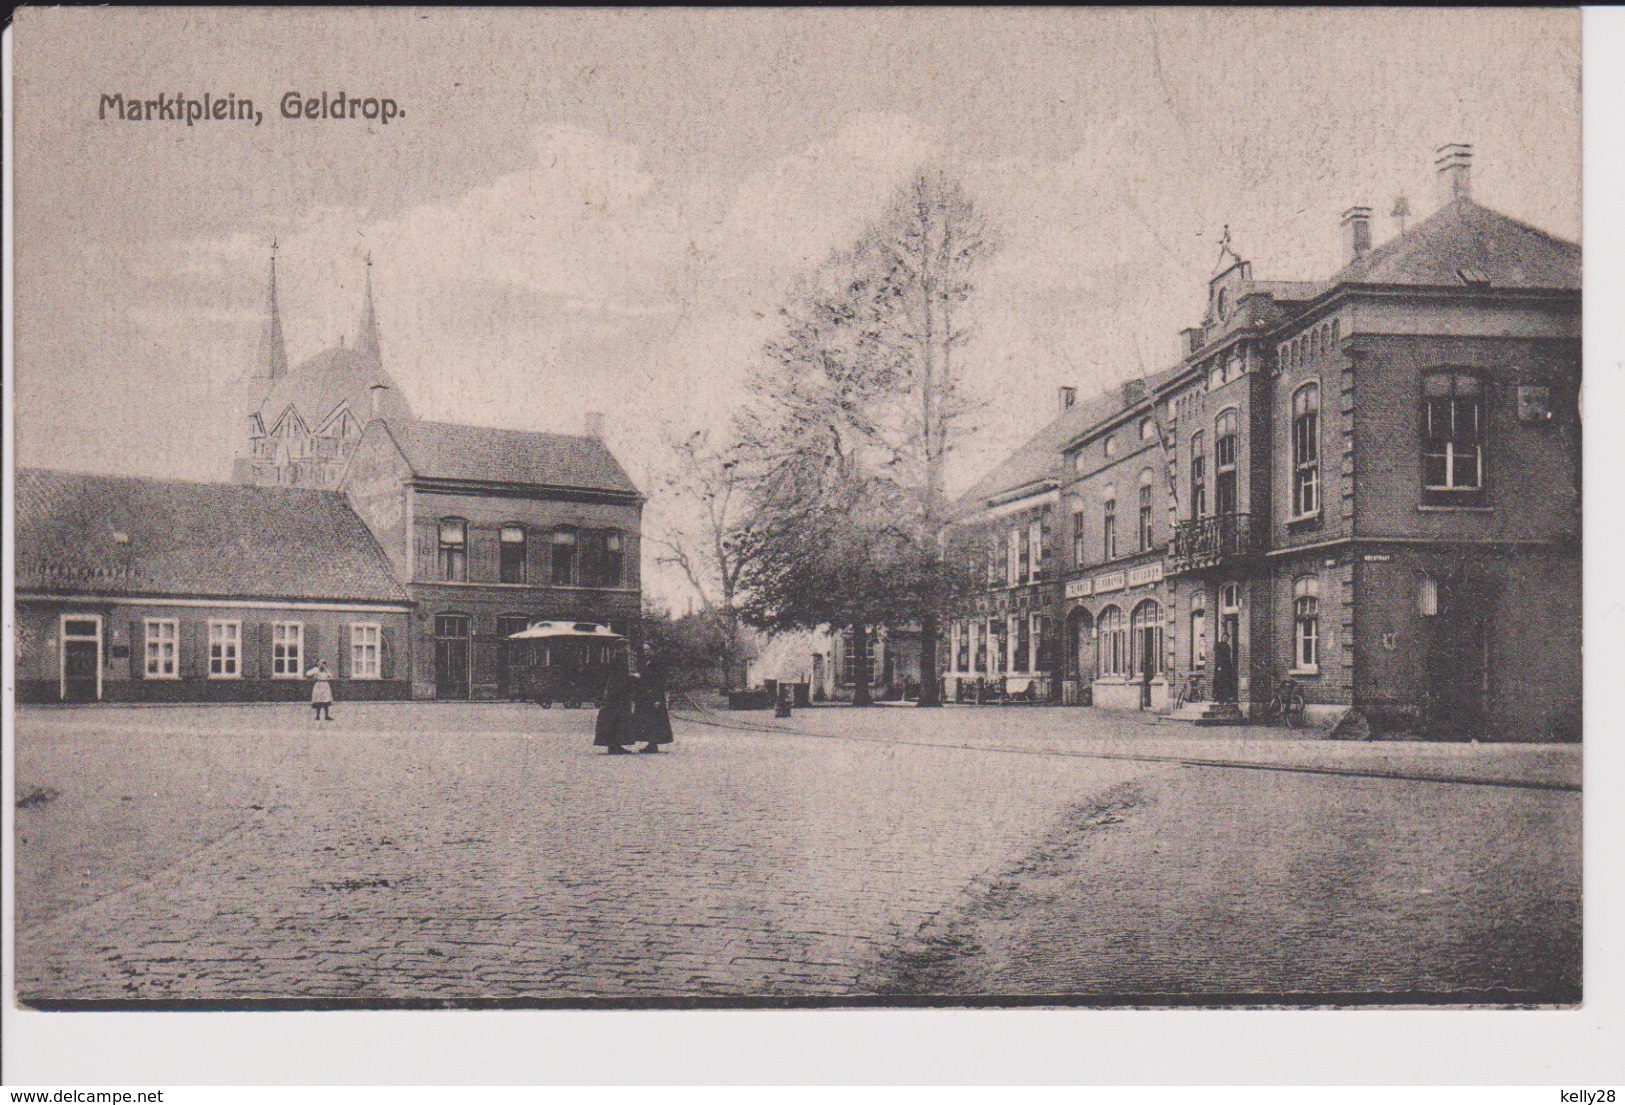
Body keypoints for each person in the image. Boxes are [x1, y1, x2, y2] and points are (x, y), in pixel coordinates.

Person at [631, 653, 675, 753]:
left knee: (654, 719)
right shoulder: (643, 663)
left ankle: (653, 744)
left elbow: (659, 680)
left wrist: (658, 697)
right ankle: (651, 743)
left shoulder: (657, 664)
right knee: (647, 719)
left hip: (654, 694)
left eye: (648, 649)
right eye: (644, 650)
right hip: (645, 695)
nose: (646, 652)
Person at [594, 660, 635, 754]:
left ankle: (613, 744)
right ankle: (615, 745)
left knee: (612, 723)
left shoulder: (612, 677)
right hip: (616, 703)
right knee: (616, 722)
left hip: (611, 703)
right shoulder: (619, 677)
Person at [1213, 632, 1238, 705]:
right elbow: (1218, 656)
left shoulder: (1227, 646)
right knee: (1220, 682)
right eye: (1225, 637)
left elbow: (1228, 657)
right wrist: (1219, 666)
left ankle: (1226, 698)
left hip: (1227, 667)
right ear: (1222, 637)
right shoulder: (1219, 645)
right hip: (1220, 666)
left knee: (1226, 682)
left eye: (1227, 638)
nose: (1226, 639)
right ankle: (1220, 699)